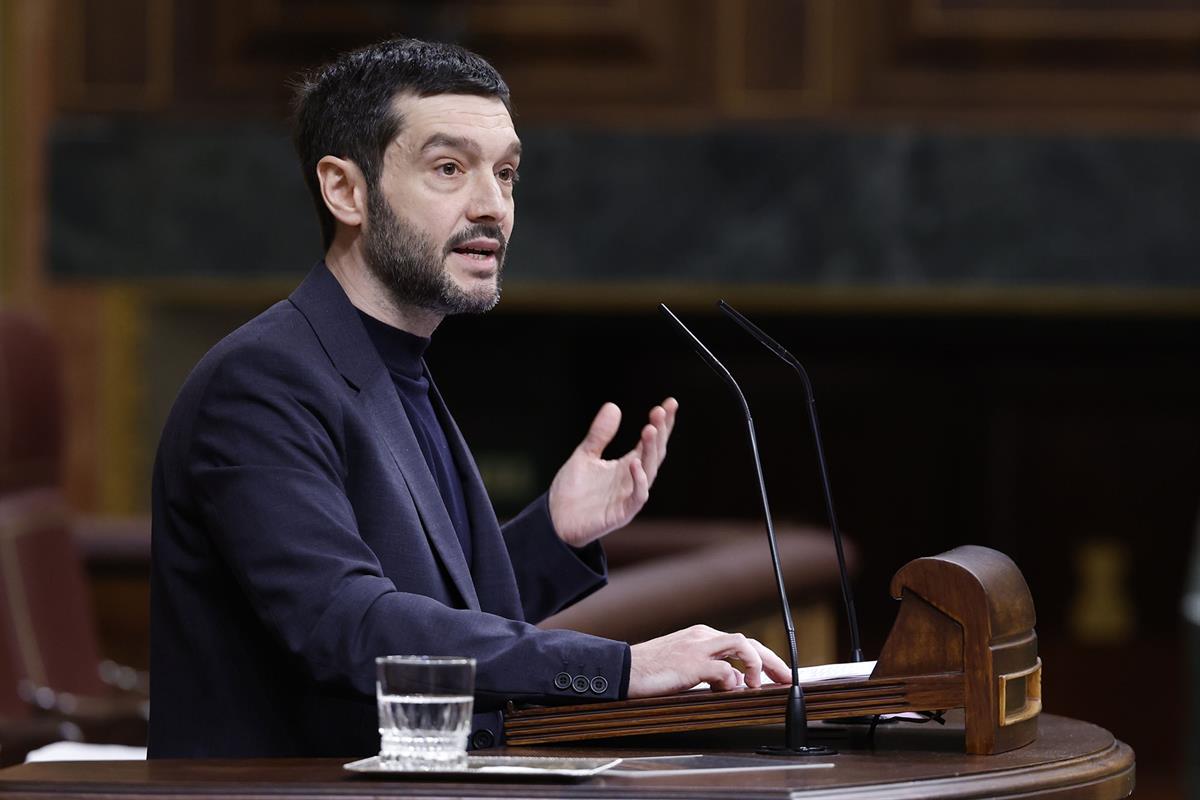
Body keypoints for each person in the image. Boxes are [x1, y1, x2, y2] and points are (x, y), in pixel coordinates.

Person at [148, 37, 789, 759]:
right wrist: (623, 666)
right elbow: (347, 627)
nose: (493, 207)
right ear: (346, 191)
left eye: (507, 173)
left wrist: (554, 532)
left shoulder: (391, 363)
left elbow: (432, 605)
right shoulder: (262, 383)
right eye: (449, 169)